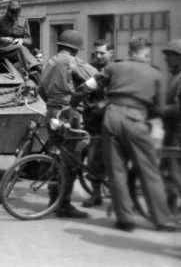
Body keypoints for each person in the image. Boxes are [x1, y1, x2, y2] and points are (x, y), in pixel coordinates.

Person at [85, 37, 177, 232]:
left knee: (116, 171)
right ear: (146, 53)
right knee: (149, 170)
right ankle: (163, 220)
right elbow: (160, 108)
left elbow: (89, 85)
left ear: (129, 51)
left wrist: (76, 100)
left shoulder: (114, 68)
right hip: (136, 120)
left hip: (111, 118)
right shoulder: (155, 74)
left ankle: (125, 220)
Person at [38, 29, 97, 219]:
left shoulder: (50, 61)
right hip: (68, 114)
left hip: (51, 112)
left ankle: (54, 200)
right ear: (75, 49)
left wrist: (52, 103)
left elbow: (40, 89)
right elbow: (95, 76)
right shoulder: (72, 61)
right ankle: (63, 204)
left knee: (56, 156)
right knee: (71, 159)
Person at [80, 39, 113, 208]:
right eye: (96, 53)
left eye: (102, 53)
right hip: (93, 118)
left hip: (110, 118)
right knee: (93, 158)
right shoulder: (90, 68)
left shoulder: (114, 69)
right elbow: (82, 89)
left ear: (111, 53)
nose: (98, 56)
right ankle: (95, 194)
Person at [0, 0, 41, 79]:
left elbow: (29, 40)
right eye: (12, 11)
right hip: (3, 48)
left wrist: (21, 40)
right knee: (20, 48)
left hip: (18, 51)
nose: (14, 14)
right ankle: (35, 68)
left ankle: (35, 71)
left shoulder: (23, 19)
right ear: (8, 9)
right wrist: (3, 39)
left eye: (16, 12)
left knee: (21, 48)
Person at [161, 39, 181, 213]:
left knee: (175, 171)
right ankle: (171, 206)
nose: (166, 59)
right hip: (171, 130)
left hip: (178, 131)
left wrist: (160, 110)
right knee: (170, 169)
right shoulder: (175, 76)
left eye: (170, 56)